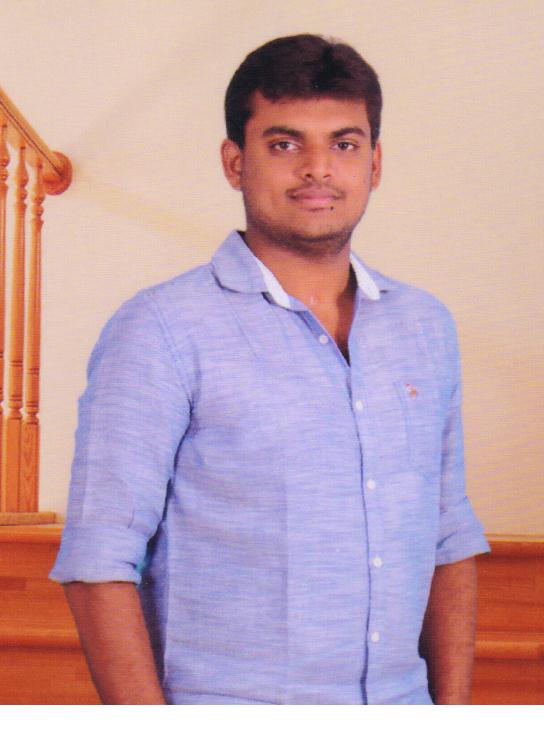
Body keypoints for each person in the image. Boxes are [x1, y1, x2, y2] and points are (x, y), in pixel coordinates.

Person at [50, 34, 489, 705]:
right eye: (285, 144)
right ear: (235, 162)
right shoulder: (161, 329)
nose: (318, 169)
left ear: (374, 163)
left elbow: (448, 536)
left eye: (344, 144)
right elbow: (98, 556)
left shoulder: (424, 326)